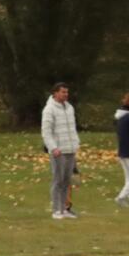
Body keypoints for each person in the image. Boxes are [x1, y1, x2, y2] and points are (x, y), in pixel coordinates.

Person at [43, 83, 80, 216]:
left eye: (67, 92)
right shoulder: (49, 109)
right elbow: (46, 132)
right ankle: (56, 209)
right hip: (58, 151)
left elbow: (72, 128)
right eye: (63, 92)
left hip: (70, 149)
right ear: (55, 93)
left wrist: (76, 144)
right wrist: (53, 148)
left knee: (66, 180)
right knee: (57, 180)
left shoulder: (69, 108)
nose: (66, 94)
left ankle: (64, 208)